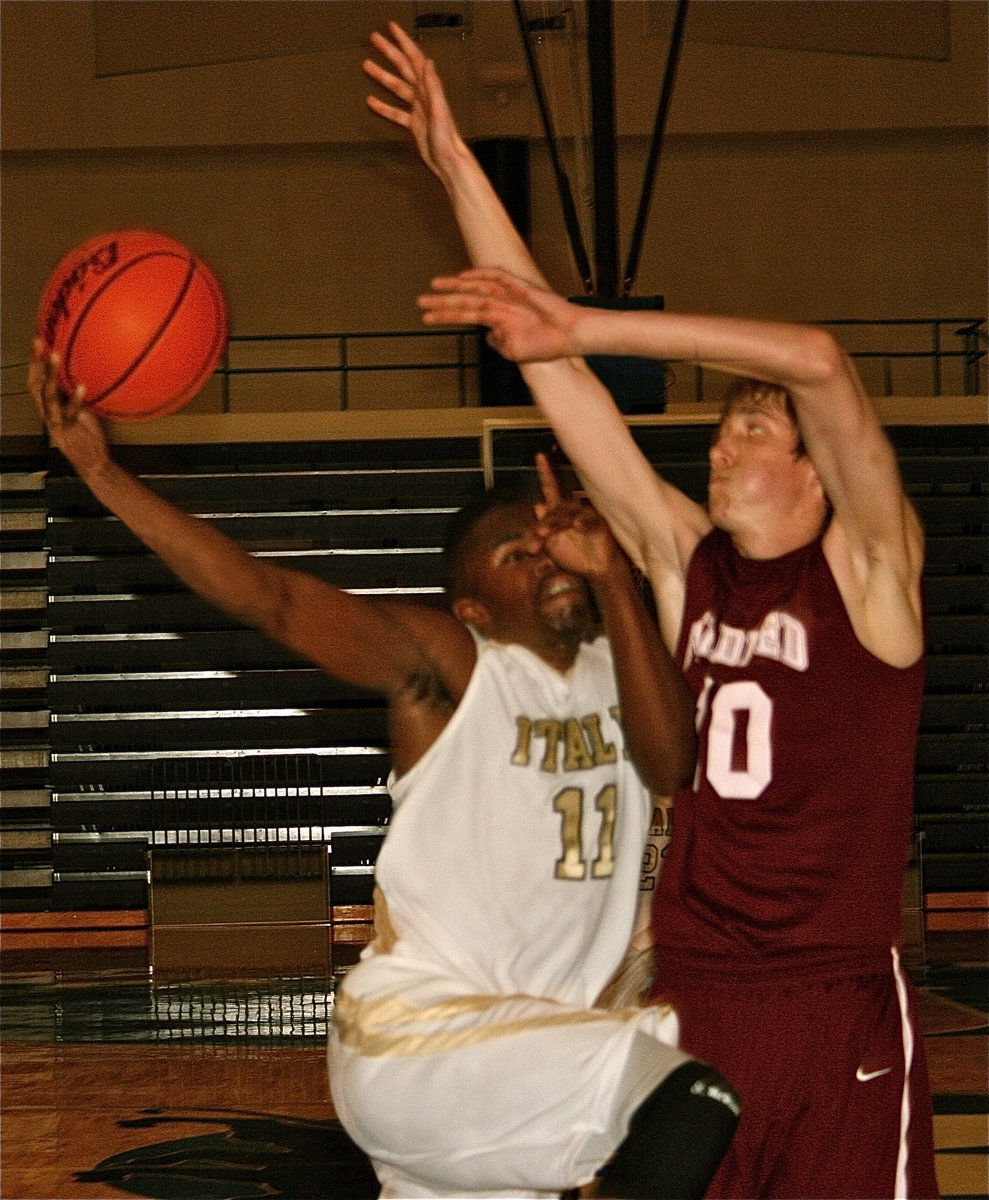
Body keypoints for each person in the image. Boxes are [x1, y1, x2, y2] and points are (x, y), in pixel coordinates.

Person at [364, 22, 940, 1200]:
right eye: (721, 428)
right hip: (696, 997)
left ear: (815, 473)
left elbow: (819, 361)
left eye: (751, 429)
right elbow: (549, 365)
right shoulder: (687, 570)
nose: (721, 445)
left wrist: (592, 324)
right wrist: (455, 164)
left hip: (833, 1002)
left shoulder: (871, 574)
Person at [29, 344, 739, 1200]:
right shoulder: (455, 667)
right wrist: (103, 474)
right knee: (687, 1098)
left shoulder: (623, 671)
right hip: (422, 1042)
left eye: (554, 543)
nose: (547, 559)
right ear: (471, 606)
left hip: (520, 1062)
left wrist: (615, 575)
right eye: (515, 553)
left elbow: (672, 762)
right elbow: (271, 599)